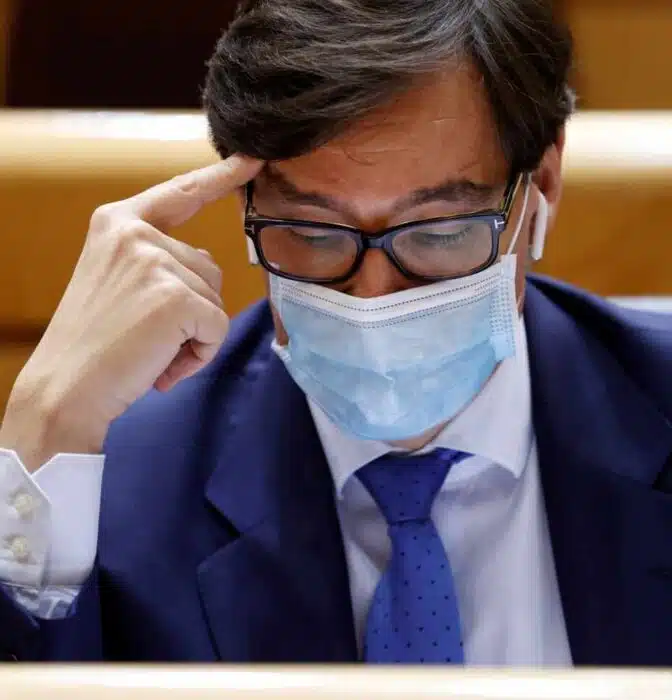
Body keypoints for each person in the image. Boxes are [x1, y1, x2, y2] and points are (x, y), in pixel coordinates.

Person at [0, 0, 671, 666]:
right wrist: (43, 420)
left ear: (541, 185)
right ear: (248, 206)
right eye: (315, 234)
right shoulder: (125, 481)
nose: (373, 297)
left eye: (439, 232)